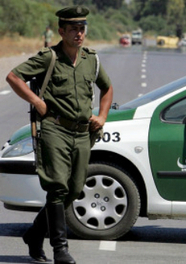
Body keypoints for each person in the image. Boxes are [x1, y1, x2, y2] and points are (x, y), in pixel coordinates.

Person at [6, 5, 113, 264]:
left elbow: (107, 88)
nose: (79, 33)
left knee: (74, 190)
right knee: (57, 187)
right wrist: (38, 103)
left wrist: (102, 117)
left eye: (82, 28)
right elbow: (14, 77)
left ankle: (34, 234)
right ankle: (60, 250)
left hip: (82, 133)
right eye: (73, 29)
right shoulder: (49, 57)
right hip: (54, 128)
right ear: (61, 31)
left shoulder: (91, 59)